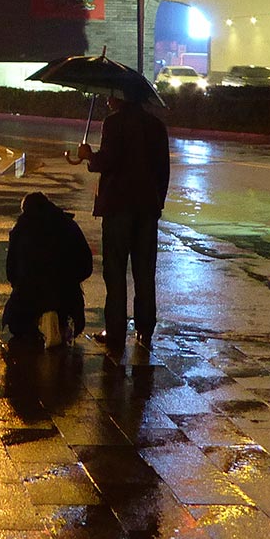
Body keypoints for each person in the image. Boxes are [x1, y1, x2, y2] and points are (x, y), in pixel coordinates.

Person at [72, 93, 171, 351]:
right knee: (145, 271)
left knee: (115, 271)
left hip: (118, 209)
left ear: (120, 97)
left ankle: (115, 330)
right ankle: (144, 329)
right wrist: (157, 203)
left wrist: (89, 155)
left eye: (110, 96)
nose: (107, 101)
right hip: (147, 210)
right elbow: (163, 170)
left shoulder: (114, 123)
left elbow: (108, 161)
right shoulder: (156, 126)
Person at [1, 192, 92, 348]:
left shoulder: (21, 229)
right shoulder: (68, 225)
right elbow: (86, 265)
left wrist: (20, 286)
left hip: (29, 294)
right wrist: (71, 282)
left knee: (18, 326)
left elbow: (11, 271)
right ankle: (60, 320)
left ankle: (37, 324)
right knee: (62, 303)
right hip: (65, 294)